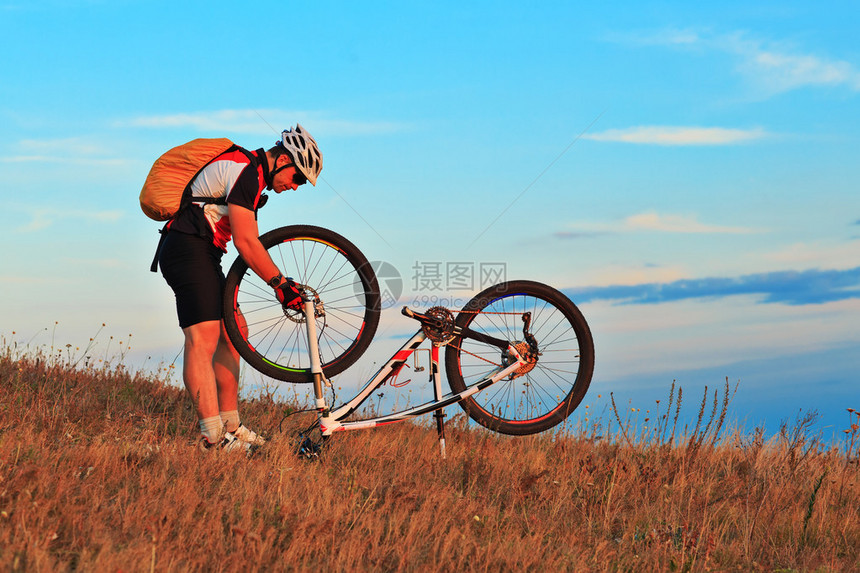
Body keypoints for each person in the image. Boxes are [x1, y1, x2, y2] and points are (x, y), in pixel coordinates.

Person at [156, 125, 323, 452]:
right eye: (298, 178)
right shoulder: (246, 172)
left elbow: (250, 243)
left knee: (235, 334)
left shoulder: (254, 177)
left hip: (204, 253)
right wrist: (280, 284)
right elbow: (246, 242)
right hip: (185, 249)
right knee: (202, 338)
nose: (295, 187)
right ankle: (213, 437)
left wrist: (282, 283)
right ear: (284, 159)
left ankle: (231, 424)